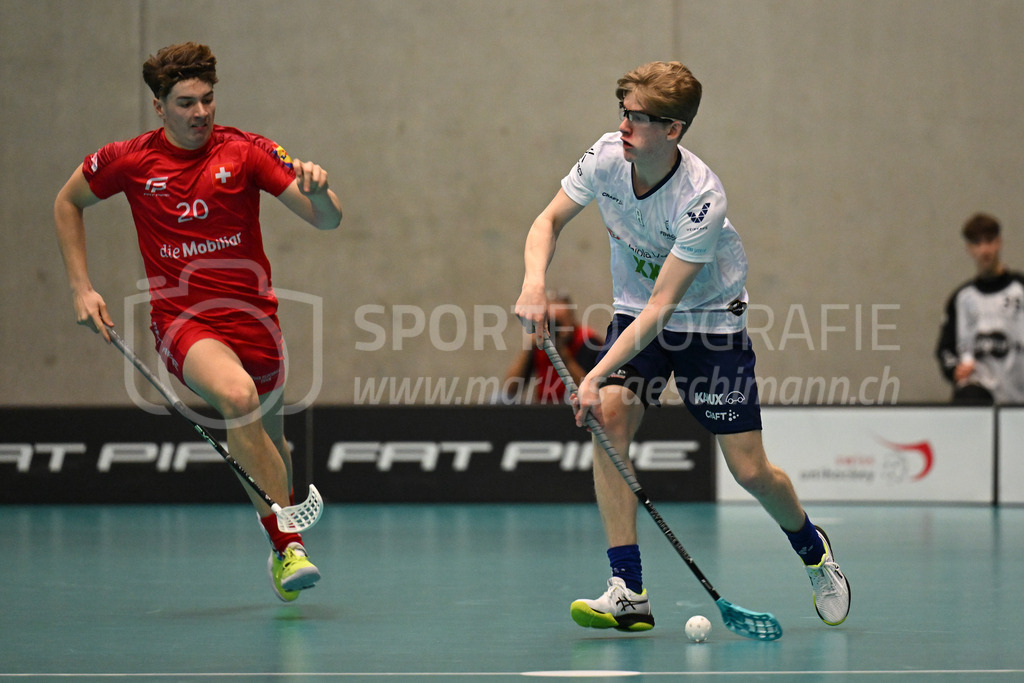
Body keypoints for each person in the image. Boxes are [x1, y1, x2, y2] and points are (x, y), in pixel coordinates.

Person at [514, 61, 850, 632]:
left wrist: (592, 373)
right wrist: (534, 283)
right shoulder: (604, 158)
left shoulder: (701, 200)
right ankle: (629, 589)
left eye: (639, 117)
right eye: (622, 110)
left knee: (750, 471)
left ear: (672, 130)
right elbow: (547, 220)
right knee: (610, 417)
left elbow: (662, 310)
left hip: (707, 323)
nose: (624, 124)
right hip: (634, 309)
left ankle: (812, 548)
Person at [54, 42, 342, 602]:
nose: (200, 113)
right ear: (158, 106)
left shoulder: (247, 151)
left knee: (271, 446)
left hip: (258, 324)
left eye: (207, 99)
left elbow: (328, 221)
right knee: (236, 399)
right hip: (184, 322)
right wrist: (80, 287)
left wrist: (320, 192)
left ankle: (279, 533)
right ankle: (288, 546)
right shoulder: (130, 160)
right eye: (185, 103)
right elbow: (68, 202)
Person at [936, 213, 1024, 405]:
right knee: (968, 398)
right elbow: (945, 349)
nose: (984, 249)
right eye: (977, 243)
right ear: (969, 249)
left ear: (999, 243)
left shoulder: (1020, 289)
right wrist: (954, 370)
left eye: (989, 241)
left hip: (1017, 388)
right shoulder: (961, 298)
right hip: (979, 386)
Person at [502, 291, 603, 403]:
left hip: (574, 404)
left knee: (572, 397)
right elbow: (510, 389)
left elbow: (589, 389)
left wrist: (564, 355)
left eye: (559, 323)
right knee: (498, 398)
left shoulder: (588, 341)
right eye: (550, 322)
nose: (554, 329)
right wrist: (528, 349)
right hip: (545, 406)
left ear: (572, 321)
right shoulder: (540, 342)